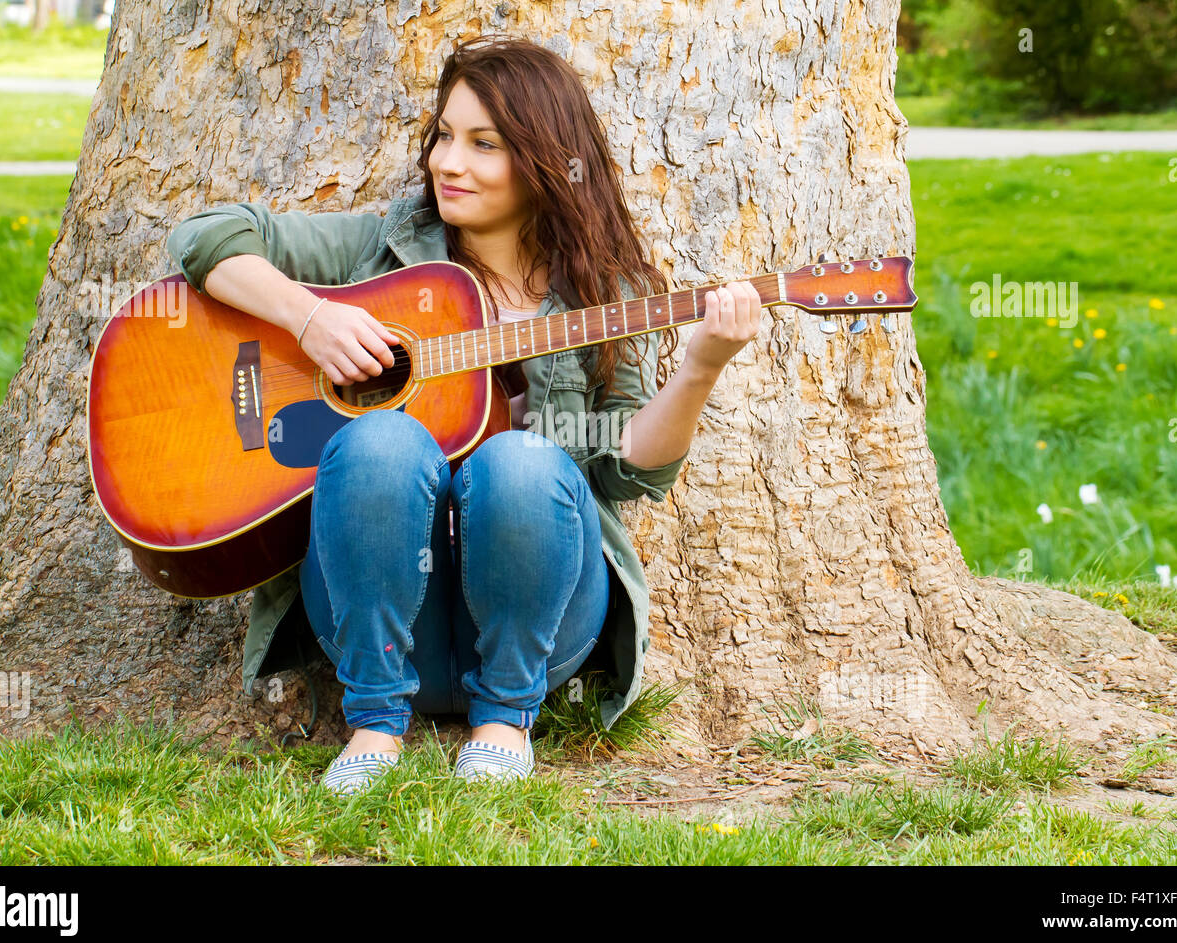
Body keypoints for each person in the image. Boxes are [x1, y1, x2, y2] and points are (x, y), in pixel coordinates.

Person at [166, 34, 761, 794]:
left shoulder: (601, 292)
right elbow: (206, 237)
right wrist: (311, 319)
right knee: (379, 437)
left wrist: (701, 368)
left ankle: (503, 726)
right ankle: (374, 728)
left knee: (521, 460)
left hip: (539, 624)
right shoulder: (383, 247)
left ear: (546, 158)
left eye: (484, 145)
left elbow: (629, 473)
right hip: (376, 624)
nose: (449, 162)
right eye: (445, 136)